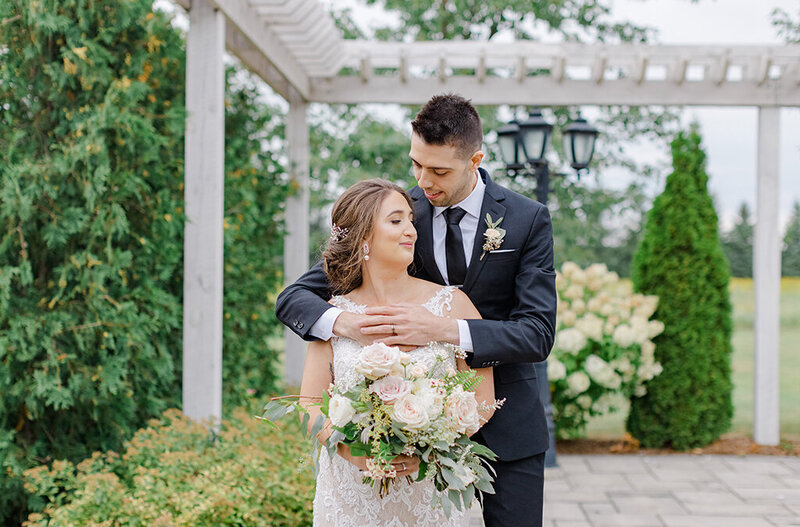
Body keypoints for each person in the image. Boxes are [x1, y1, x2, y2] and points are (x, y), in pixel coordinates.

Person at [277, 94, 557, 527]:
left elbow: (537, 332)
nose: (424, 181)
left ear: (475, 159)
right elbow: (294, 297)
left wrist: (445, 329)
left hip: (508, 426)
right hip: (399, 439)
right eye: (416, 164)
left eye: (439, 170)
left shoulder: (527, 218)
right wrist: (347, 325)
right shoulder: (396, 215)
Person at [300, 178, 496, 526]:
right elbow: (309, 404)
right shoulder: (333, 315)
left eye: (410, 219)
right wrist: (349, 449)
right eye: (395, 221)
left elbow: (481, 400)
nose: (411, 230)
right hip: (350, 494)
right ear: (363, 238)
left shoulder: (453, 304)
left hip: (430, 493)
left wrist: (429, 446)